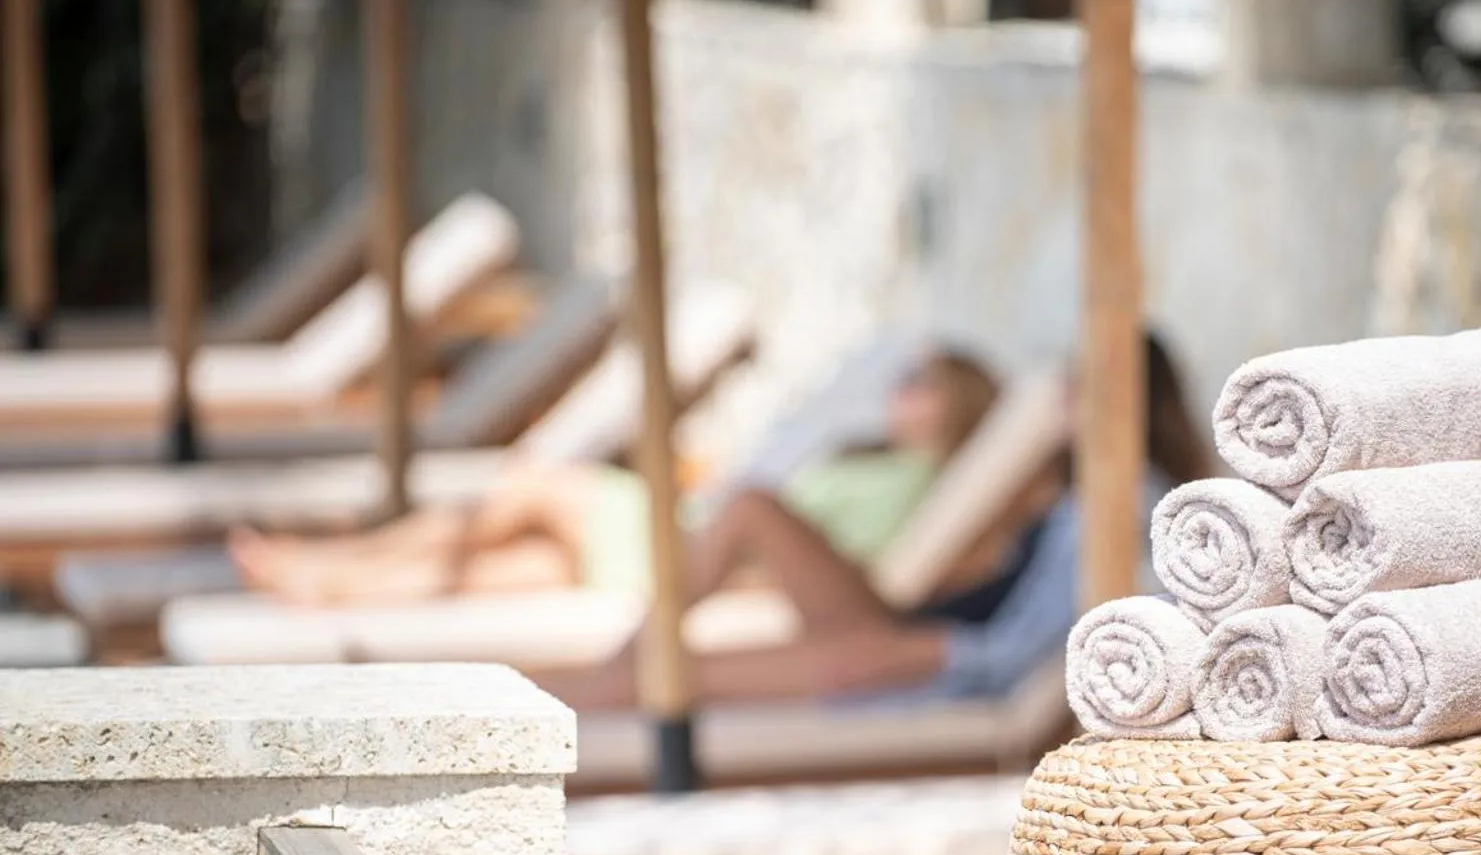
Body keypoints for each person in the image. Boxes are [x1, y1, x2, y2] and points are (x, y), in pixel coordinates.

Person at [538, 331, 1216, 710]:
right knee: (747, 512)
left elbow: (1034, 650)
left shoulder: (1126, 506)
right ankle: (572, 688)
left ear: (1124, 401)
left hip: (922, 654)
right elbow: (979, 581)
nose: (1054, 401)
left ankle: (543, 712)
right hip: (907, 630)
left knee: (670, 677)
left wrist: (927, 652)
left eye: (1075, 389)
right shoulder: (1065, 490)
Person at [227, 349, 1002, 607]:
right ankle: (344, 587)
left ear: (958, 404)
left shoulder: (915, 484)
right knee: (532, 568)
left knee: (537, 484)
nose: (901, 388)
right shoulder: (882, 460)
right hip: (704, 538)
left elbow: (831, 562)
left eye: (922, 381)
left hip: (710, 556)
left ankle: (346, 561)